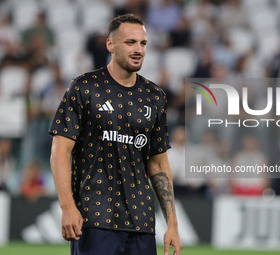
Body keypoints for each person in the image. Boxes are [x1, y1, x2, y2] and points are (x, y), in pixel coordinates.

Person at [49, 14, 181, 255]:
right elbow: (59, 151)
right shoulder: (83, 87)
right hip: (94, 221)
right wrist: (68, 207)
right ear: (110, 44)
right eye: (130, 42)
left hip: (141, 225)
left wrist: (172, 223)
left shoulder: (155, 97)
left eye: (142, 43)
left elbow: (159, 164)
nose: (138, 49)